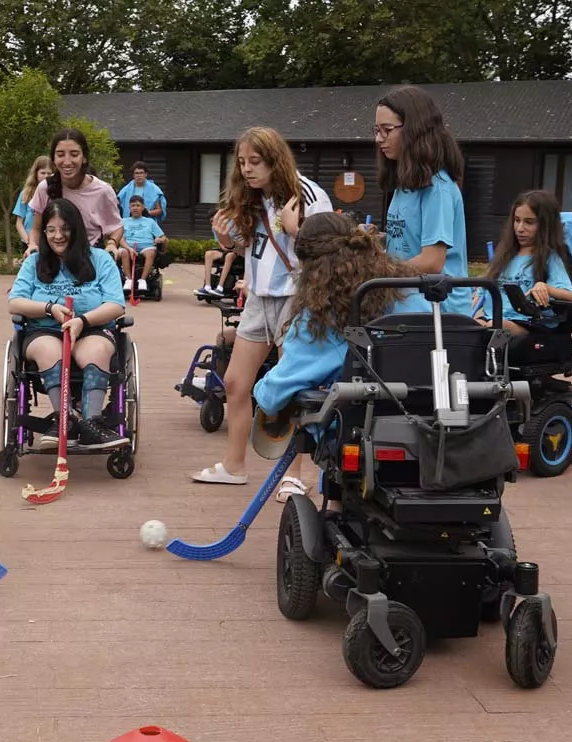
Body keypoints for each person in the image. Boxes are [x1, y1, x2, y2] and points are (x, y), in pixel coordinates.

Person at [191, 126, 332, 492]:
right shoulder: (253, 197)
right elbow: (250, 247)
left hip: (297, 297)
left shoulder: (309, 194)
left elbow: (330, 250)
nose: (247, 169)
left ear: (275, 160)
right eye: (242, 162)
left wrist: (296, 230)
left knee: (295, 388)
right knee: (237, 383)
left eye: (255, 161)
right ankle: (233, 465)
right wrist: (226, 239)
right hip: (259, 298)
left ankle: (294, 475)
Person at [252, 212, 431, 471]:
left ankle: (336, 506)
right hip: (428, 420)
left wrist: (261, 391)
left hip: (363, 429)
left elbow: (276, 393)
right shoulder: (406, 292)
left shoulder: (323, 316)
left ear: (309, 268)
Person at [8, 199, 129, 450]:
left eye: (65, 229)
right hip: (45, 329)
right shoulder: (34, 262)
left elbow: (116, 304)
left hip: (90, 327)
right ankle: (65, 419)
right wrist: (50, 309)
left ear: (77, 230)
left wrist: (82, 321)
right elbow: (15, 302)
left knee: (97, 350)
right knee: (47, 349)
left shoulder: (100, 260)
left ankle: (91, 423)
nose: (57, 236)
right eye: (50, 230)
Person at [375, 85, 471, 316]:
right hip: (407, 303)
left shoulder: (438, 187)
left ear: (415, 130)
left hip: (438, 312)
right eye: (376, 130)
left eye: (387, 129)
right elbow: (409, 242)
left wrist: (376, 270)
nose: (379, 139)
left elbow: (432, 261)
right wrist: (376, 240)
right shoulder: (405, 184)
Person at [478, 189, 572, 339]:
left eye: (529, 222)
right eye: (517, 220)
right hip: (493, 318)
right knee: (461, 326)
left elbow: (569, 295)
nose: (520, 228)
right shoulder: (504, 257)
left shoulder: (549, 257)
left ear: (545, 225)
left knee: (493, 327)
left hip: (529, 324)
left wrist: (545, 287)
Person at [26, 128, 124, 260]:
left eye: (74, 154)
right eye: (60, 155)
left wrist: (112, 244)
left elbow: (116, 226)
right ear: (53, 159)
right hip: (52, 265)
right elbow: (36, 229)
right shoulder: (45, 188)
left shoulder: (103, 191)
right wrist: (32, 245)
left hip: (89, 263)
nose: (67, 161)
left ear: (84, 157)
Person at [118, 195, 167, 293]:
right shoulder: (123, 221)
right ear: (129, 208)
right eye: (133, 205)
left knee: (151, 253)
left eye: (138, 205)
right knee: (123, 252)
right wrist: (129, 248)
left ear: (143, 207)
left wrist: (159, 239)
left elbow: (163, 237)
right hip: (128, 247)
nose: (135, 208)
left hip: (146, 247)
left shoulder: (150, 222)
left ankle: (143, 280)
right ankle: (128, 279)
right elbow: (120, 239)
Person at [14, 156, 54, 246]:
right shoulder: (26, 194)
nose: (46, 176)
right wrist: (29, 242)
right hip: (29, 241)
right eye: (42, 173)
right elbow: (19, 223)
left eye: (49, 173)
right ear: (36, 173)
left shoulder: (55, 194)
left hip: (49, 241)